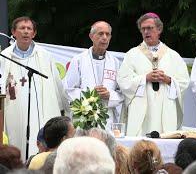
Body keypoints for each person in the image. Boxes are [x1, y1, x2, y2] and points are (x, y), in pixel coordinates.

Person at [0, 16, 68, 160]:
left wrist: (64, 109)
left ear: (34, 33)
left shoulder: (45, 56)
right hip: (15, 112)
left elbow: (56, 85)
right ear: (13, 32)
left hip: (41, 112)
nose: (25, 32)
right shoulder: (4, 57)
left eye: (29, 28)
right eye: (22, 28)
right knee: (17, 142)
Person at [117, 12, 190, 136]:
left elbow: (184, 81)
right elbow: (123, 80)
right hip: (141, 109)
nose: (146, 32)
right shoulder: (132, 54)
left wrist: (169, 80)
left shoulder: (173, 56)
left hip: (165, 109)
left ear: (159, 29)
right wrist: (144, 78)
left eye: (149, 28)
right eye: (143, 29)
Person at [64, 21, 124, 128]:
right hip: (84, 117)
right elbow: (69, 90)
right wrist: (91, 95)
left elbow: (122, 92)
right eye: (100, 34)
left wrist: (110, 95)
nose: (104, 37)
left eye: (107, 34)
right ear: (91, 36)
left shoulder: (115, 62)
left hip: (107, 118)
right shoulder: (78, 60)